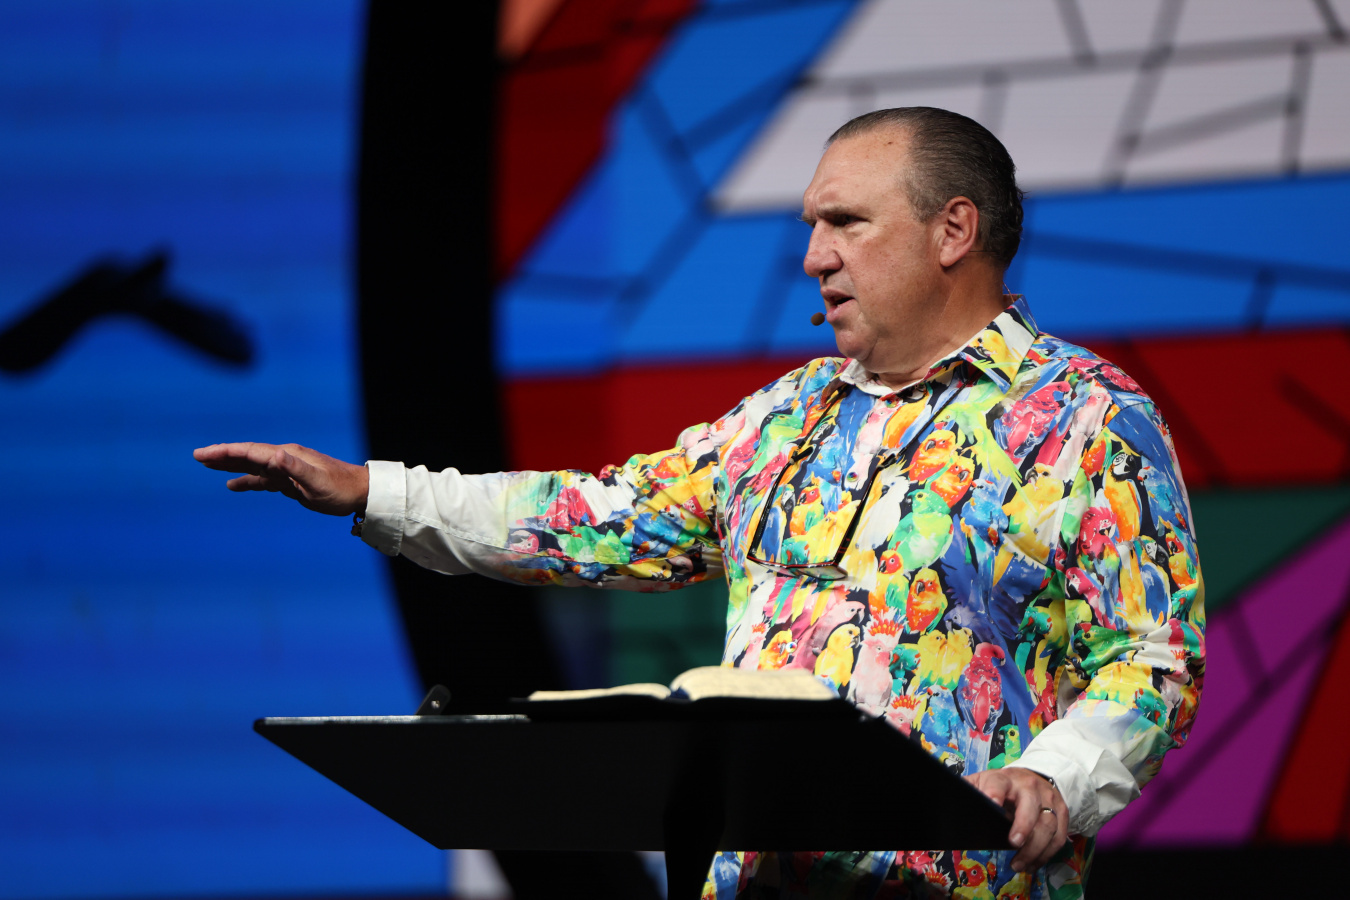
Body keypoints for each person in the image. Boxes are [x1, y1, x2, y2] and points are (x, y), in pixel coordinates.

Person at [195, 107, 1204, 899]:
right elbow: (592, 518)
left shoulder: (1087, 417)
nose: (814, 256)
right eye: (811, 226)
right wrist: (374, 490)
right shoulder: (783, 419)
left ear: (954, 230)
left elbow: (1151, 661)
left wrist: (1055, 778)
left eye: (845, 222)